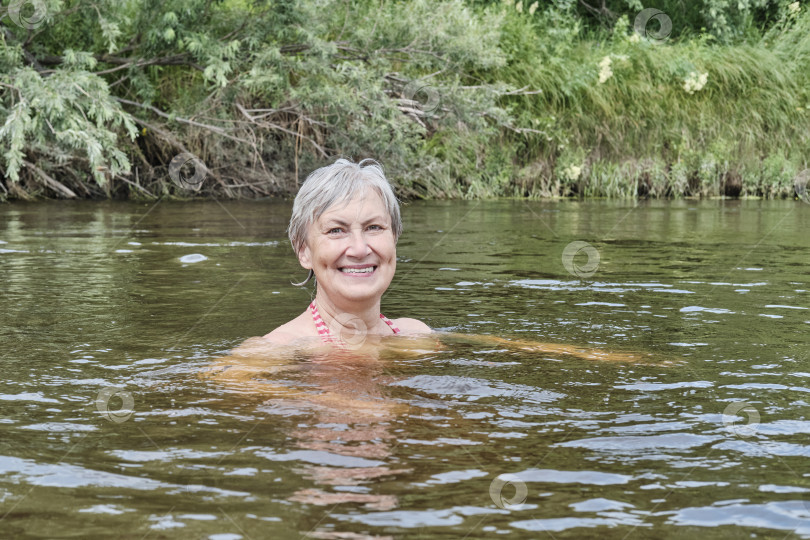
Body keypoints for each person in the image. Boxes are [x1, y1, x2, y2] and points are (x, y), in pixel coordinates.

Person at [263, 158, 431, 347]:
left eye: (373, 227)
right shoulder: (275, 351)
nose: (359, 249)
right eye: (336, 230)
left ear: (394, 238)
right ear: (304, 251)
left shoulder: (418, 336)